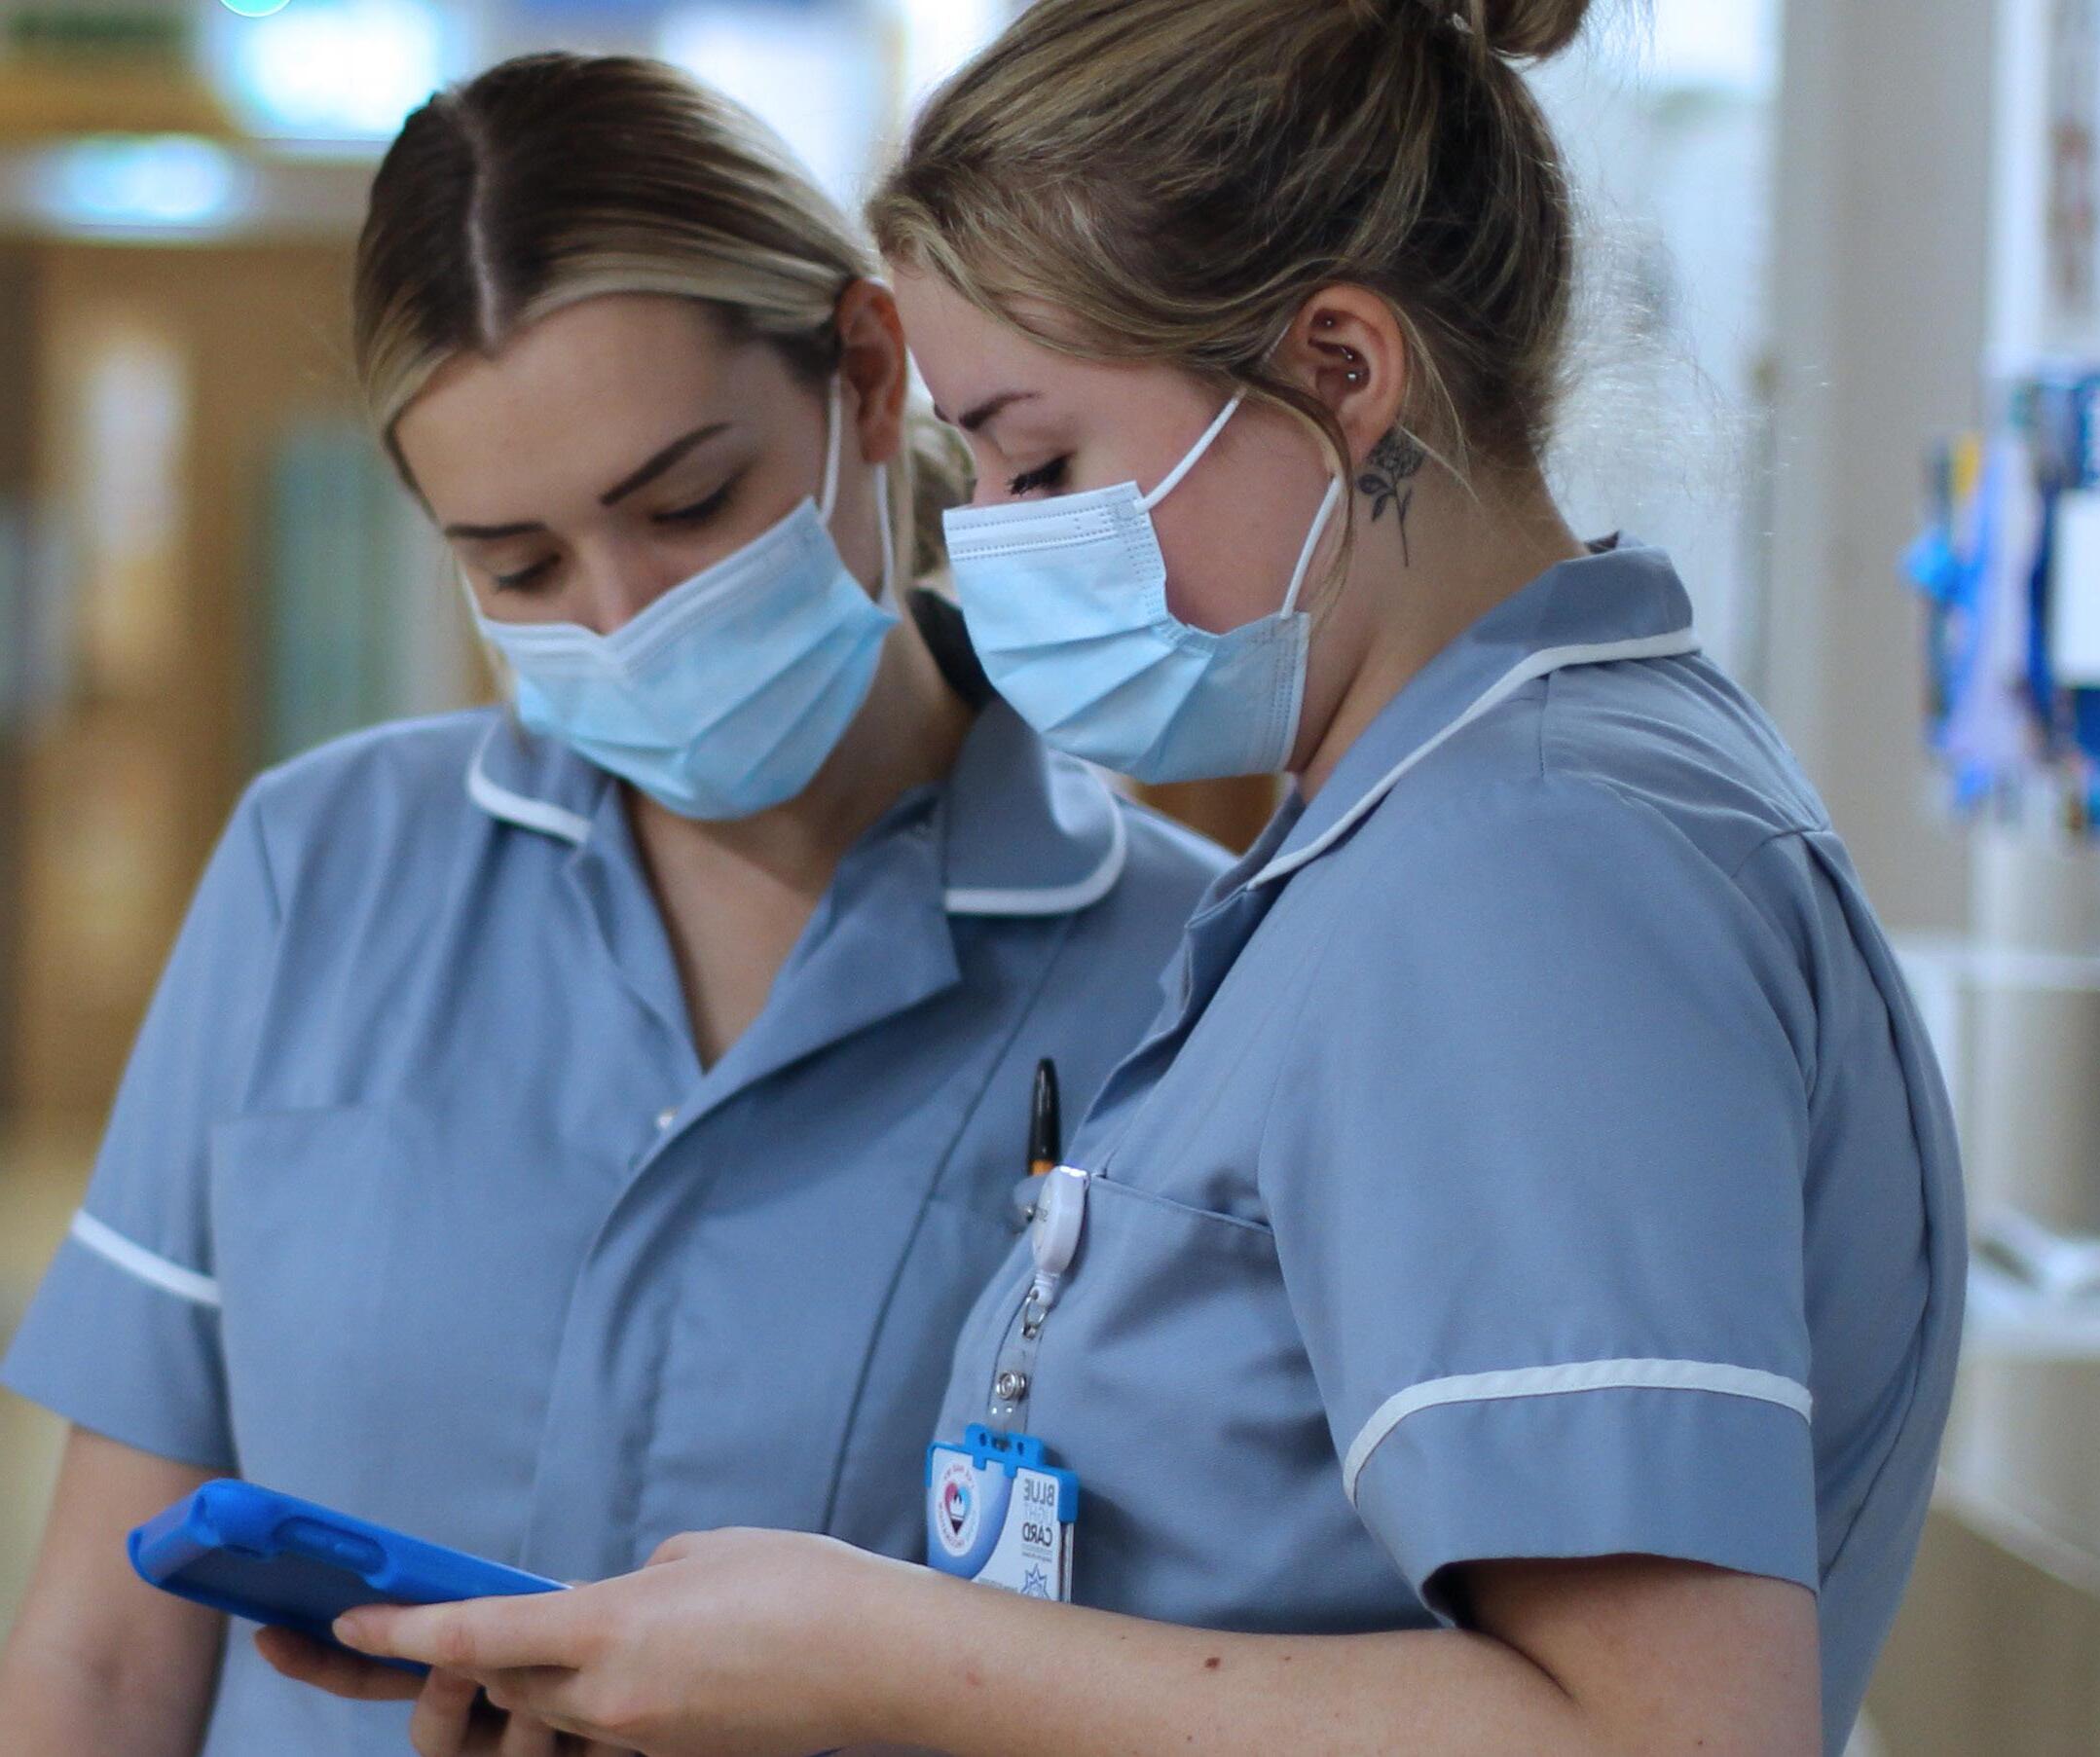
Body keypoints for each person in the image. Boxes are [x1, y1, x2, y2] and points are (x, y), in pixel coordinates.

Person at [321, 3, 1969, 1755]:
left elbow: (1670, 1736)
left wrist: (875, 1648)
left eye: (1042, 463)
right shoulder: (1410, 839)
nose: (988, 542)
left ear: (1342, 370)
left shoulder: (1530, 872)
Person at [0, 51, 1228, 1757]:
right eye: (519, 565)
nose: (624, 614)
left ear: (870, 378)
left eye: (687, 504)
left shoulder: (1188, 975)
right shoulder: (319, 869)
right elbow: (96, 1656)